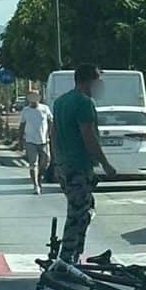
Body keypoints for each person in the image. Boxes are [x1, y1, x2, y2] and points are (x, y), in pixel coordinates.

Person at [51, 64, 116, 266]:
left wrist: (55, 161)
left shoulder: (61, 102)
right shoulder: (84, 103)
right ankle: (67, 256)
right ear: (88, 81)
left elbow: (53, 133)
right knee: (78, 211)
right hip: (78, 164)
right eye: (97, 81)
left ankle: (74, 253)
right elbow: (88, 135)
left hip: (64, 165)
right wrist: (105, 164)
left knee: (85, 208)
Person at [18, 90, 53, 194]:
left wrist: (50, 134)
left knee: (46, 161)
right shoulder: (26, 110)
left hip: (43, 140)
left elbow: (51, 121)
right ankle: (36, 185)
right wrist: (20, 140)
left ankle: (39, 177)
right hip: (30, 141)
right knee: (33, 164)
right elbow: (22, 125)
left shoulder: (45, 109)